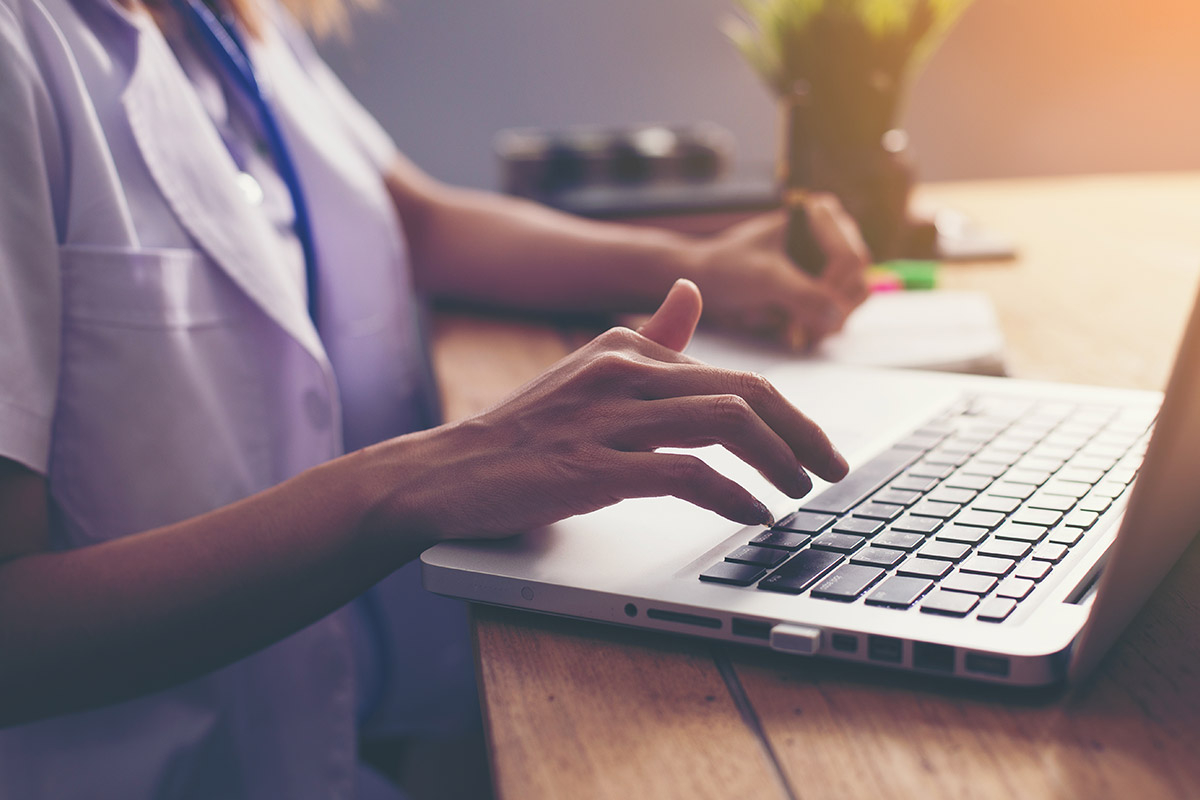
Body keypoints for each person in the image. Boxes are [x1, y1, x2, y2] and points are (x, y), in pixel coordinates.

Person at [0, 0, 871, 796]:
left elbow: (408, 217)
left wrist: (701, 266)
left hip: (369, 740)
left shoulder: (219, 20)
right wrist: (427, 477)